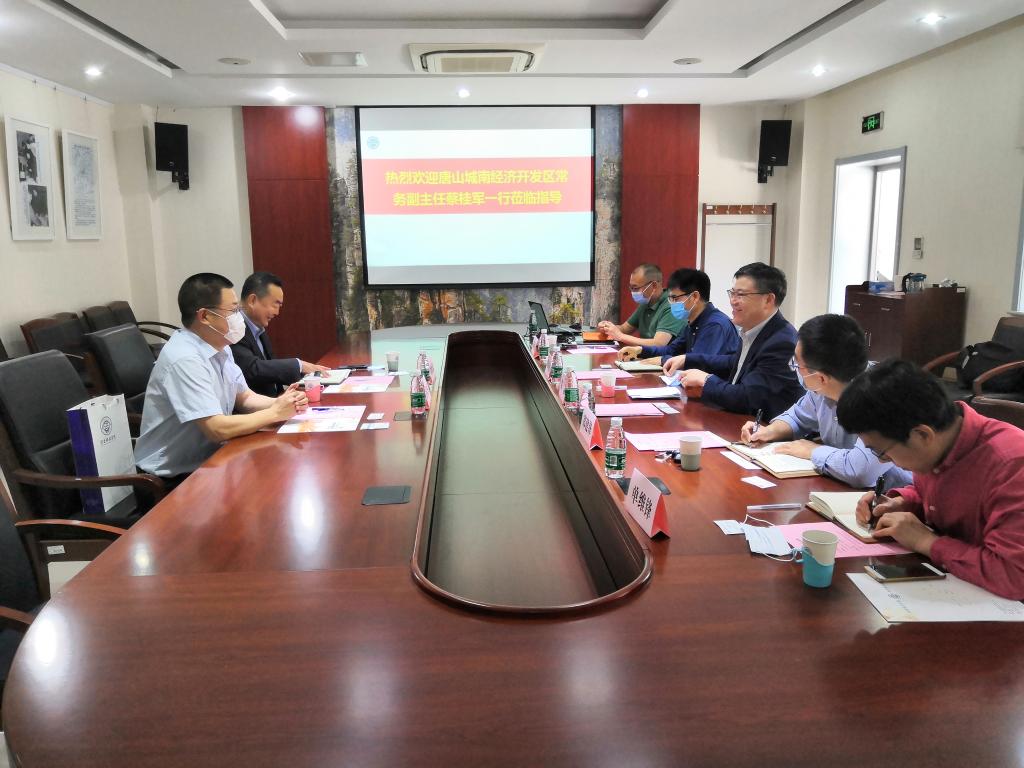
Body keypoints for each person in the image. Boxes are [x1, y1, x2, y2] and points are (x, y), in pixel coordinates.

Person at [837, 359, 1024, 600]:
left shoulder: (1012, 464)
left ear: (922, 434)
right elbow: (934, 494)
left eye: (882, 452)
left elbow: (1013, 575)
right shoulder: (938, 445)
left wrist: (926, 542)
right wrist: (902, 502)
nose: (883, 462)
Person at [135, 273, 308, 482]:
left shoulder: (220, 346)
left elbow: (244, 398)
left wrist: (283, 402)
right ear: (205, 316)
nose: (239, 316)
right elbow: (216, 428)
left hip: (212, 461)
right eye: (233, 311)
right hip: (171, 478)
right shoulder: (185, 358)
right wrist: (274, 413)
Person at [738, 314, 912, 490]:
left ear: (820, 378)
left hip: (892, 497)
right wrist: (768, 431)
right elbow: (798, 417)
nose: (794, 369)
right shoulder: (823, 388)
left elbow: (860, 471)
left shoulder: (881, 397)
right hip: (840, 487)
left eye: (797, 365)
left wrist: (812, 451)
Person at [663, 263, 802, 417]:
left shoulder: (781, 342)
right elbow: (733, 362)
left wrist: (706, 380)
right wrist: (687, 359)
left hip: (763, 426)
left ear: (768, 300)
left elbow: (748, 398)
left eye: (740, 295)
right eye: (732, 293)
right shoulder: (754, 329)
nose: (732, 301)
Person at [231, 271, 329, 397]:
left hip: (275, 401)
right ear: (253, 300)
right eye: (275, 304)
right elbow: (252, 369)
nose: (277, 312)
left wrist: (309, 376)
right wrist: (299, 365)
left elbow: (270, 370)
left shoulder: (258, 327)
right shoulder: (233, 330)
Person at [617, 267, 739, 364]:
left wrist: (663, 360)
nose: (672, 303)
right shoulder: (692, 322)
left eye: (675, 298)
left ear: (695, 297)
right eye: (670, 298)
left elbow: (699, 363)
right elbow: (672, 349)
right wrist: (640, 350)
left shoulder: (715, 324)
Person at [597, 264, 683, 348]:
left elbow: (659, 343)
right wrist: (608, 328)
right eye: (631, 288)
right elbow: (624, 328)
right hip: (645, 354)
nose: (633, 292)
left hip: (666, 356)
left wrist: (620, 336)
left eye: (635, 288)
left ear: (654, 285)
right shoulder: (646, 302)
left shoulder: (672, 305)